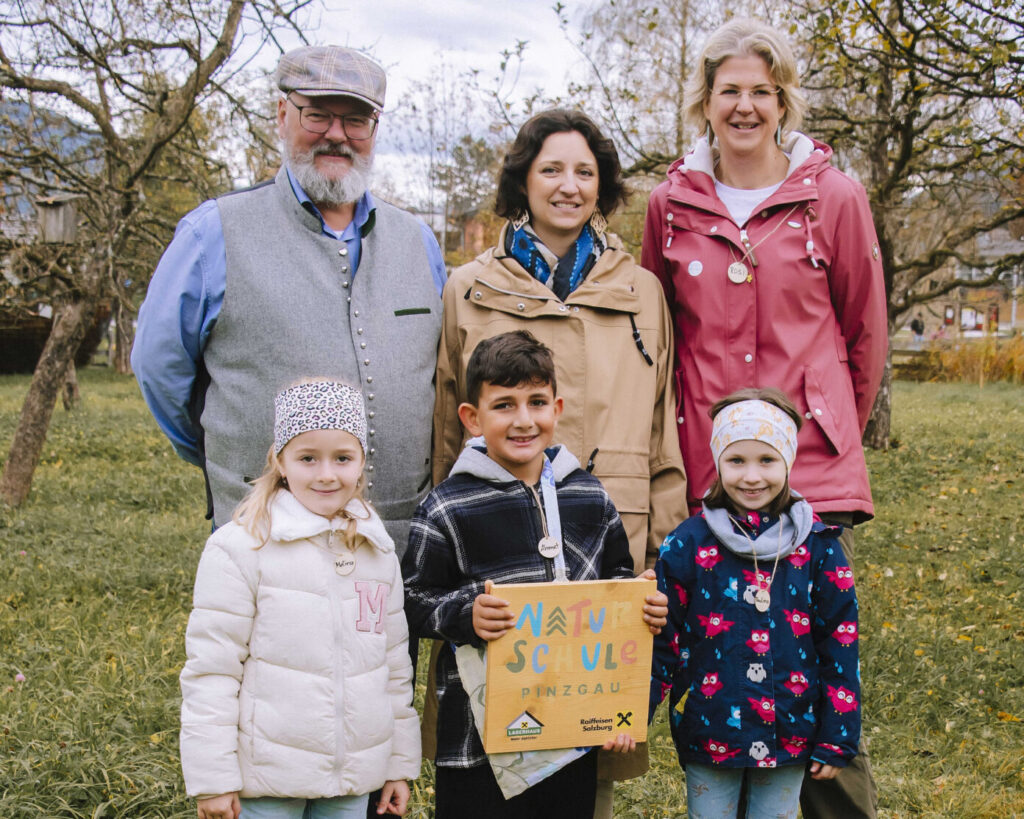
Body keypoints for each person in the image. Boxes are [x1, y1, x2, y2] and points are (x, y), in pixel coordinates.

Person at [640, 18, 885, 817]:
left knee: (813, 656)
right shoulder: (670, 205)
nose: (745, 106)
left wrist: (828, 417)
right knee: (719, 648)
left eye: (760, 91)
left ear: (783, 100)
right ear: (705, 102)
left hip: (807, 464)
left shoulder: (833, 198)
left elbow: (864, 333)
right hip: (713, 471)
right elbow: (657, 325)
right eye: (729, 91)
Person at [432, 110, 687, 812]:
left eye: (584, 171)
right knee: (496, 729)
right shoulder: (469, 287)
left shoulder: (643, 292)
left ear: (601, 186)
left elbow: (664, 427)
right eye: (551, 169)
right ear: (523, 180)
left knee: (588, 742)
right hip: (496, 544)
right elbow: (445, 430)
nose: (568, 186)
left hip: (610, 540)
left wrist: (665, 552)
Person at [131, 46, 445, 548]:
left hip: (399, 543)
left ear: (374, 129)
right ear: (282, 115)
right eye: (317, 114)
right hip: (266, 540)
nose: (337, 135)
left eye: (356, 120)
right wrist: (222, 452)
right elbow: (159, 370)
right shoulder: (212, 234)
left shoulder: (419, 241)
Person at [402, 331, 669, 819]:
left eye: (537, 402)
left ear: (558, 407)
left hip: (570, 735)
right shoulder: (447, 506)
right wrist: (466, 614)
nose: (524, 420)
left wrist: (642, 607)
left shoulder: (590, 498)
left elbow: (618, 585)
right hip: (477, 740)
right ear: (472, 417)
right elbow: (412, 600)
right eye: (504, 405)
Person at [179, 379, 420, 819]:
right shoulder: (240, 548)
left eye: (342, 458)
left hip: (350, 783)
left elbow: (393, 669)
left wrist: (397, 765)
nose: (326, 474)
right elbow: (212, 670)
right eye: (308, 457)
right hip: (267, 781)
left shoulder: (377, 550)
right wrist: (213, 778)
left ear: (362, 462)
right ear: (280, 460)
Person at [651, 388, 861, 819]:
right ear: (717, 462)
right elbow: (662, 637)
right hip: (710, 727)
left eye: (766, 460)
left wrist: (839, 732)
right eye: (736, 460)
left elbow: (839, 641)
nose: (751, 476)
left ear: (788, 461)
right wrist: (633, 710)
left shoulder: (817, 547)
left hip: (790, 726)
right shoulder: (687, 543)